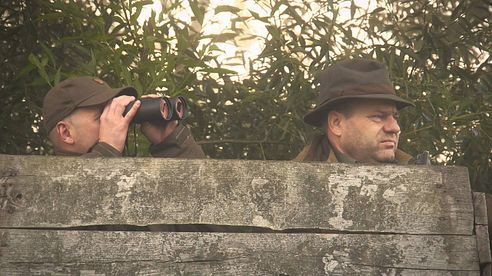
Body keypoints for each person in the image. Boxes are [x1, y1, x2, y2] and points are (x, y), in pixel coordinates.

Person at [296, 58, 429, 164]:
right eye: (378, 117)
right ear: (336, 123)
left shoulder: (423, 177)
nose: (395, 127)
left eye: (395, 116)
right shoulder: (295, 185)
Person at [42, 76, 205, 158]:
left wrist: (172, 143)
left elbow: (210, 219)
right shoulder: (42, 188)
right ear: (66, 133)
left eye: (115, 112)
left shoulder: (132, 180)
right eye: (102, 116)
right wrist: (107, 150)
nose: (115, 121)